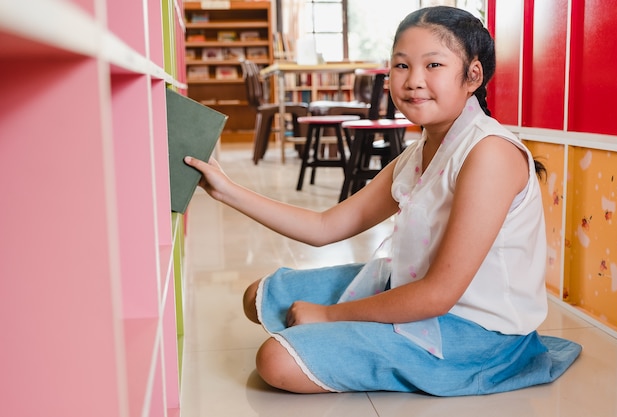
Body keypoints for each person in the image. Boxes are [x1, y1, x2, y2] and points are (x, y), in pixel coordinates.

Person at [184, 6, 581, 396]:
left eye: (434, 65)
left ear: (472, 75)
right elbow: (325, 228)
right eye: (402, 65)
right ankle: (355, 334)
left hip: (478, 335)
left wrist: (328, 316)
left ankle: (354, 336)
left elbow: (440, 294)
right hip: (418, 291)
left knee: (276, 361)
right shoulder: (419, 151)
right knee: (259, 296)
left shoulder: (489, 153)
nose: (413, 81)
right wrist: (227, 190)